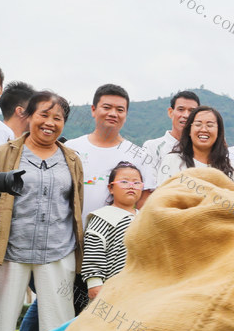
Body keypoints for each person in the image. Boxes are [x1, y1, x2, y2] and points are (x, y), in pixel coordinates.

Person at [0, 91, 83, 331]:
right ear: (29, 116)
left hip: (58, 250)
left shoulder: (72, 159)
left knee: (57, 326)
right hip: (10, 250)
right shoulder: (6, 152)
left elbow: (74, 204)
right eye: (43, 115)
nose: (50, 122)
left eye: (57, 118)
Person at [66, 84, 154, 225]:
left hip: (116, 236)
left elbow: (144, 200)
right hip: (71, 234)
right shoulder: (71, 148)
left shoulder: (140, 155)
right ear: (93, 110)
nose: (113, 114)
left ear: (126, 115)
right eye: (107, 107)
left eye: (120, 110)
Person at [82, 162, 142, 300]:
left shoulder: (145, 218)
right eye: (124, 182)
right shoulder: (102, 217)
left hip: (141, 292)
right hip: (113, 293)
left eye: (136, 182)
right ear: (111, 188)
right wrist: (94, 284)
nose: (131, 186)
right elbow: (93, 255)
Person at [159, 106, 234, 181]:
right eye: (198, 124)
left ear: (218, 132)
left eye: (210, 125)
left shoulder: (229, 169)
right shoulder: (173, 161)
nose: (204, 129)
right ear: (189, 130)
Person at [142, 90, 200, 182]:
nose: (186, 115)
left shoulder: (202, 149)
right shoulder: (152, 147)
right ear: (170, 112)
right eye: (181, 109)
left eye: (191, 111)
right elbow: (149, 185)